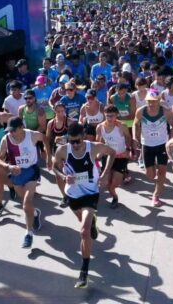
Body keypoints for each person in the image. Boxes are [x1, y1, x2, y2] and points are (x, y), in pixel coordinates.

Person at [51, 123, 117, 289]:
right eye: (71, 141)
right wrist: (63, 176)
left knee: (84, 231)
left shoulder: (94, 148)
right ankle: (92, 223)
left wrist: (105, 173)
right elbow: (54, 166)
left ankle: (84, 272)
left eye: (78, 141)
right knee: (85, 226)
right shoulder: (63, 150)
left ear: (84, 137)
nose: (75, 145)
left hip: (90, 193)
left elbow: (112, 152)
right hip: (73, 194)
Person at [0, 117, 45, 249]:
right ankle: (35, 213)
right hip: (16, 173)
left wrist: (46, 152)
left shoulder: (32, 135)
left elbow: (44, 138)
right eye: (9, 130)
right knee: (26, 203)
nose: (11, 133)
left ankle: (28, 234)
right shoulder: (6, 139)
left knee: (26, 203)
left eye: (13, 130)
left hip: (31, 171)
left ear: (21, 127)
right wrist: (8, 167)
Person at [134, 89, 173, 207]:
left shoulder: (166, 112)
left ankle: (156, 195)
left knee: (162, 172)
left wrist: (172, 141)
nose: (151, 104)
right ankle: (155, 175)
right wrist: (135, 138)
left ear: (159, 101)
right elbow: (135, 124)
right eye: (149, 101)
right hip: (147, 145)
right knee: (150, 175)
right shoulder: (141, 111)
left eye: (154, 101)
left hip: (162, 144)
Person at [96, 105, 133, 208]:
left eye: (112, 116)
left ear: (117, 115)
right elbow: (99, 142)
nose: (109, 118)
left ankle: (122, 176)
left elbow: (128, 138)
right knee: (107, 183)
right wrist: (99, 153)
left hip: (121, 156)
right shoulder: (100, 127)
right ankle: (115, 197)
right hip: (108, 157)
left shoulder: (122, 126)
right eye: (107, 116)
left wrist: (129, 150)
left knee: (115, 183)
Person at [46, 103, 70, 207]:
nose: (60, 114)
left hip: (69, 152)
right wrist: (48, 157)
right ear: (54, 111)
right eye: (58, 111)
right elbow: (47, 140)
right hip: (56, 152)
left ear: (65, 110)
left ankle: (76, 194)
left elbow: (77, 137)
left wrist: (65, 138)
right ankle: (65, 196)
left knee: (72, 174)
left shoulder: (69, 121)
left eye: (62, 111)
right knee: (59, 176)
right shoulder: (51, 123)